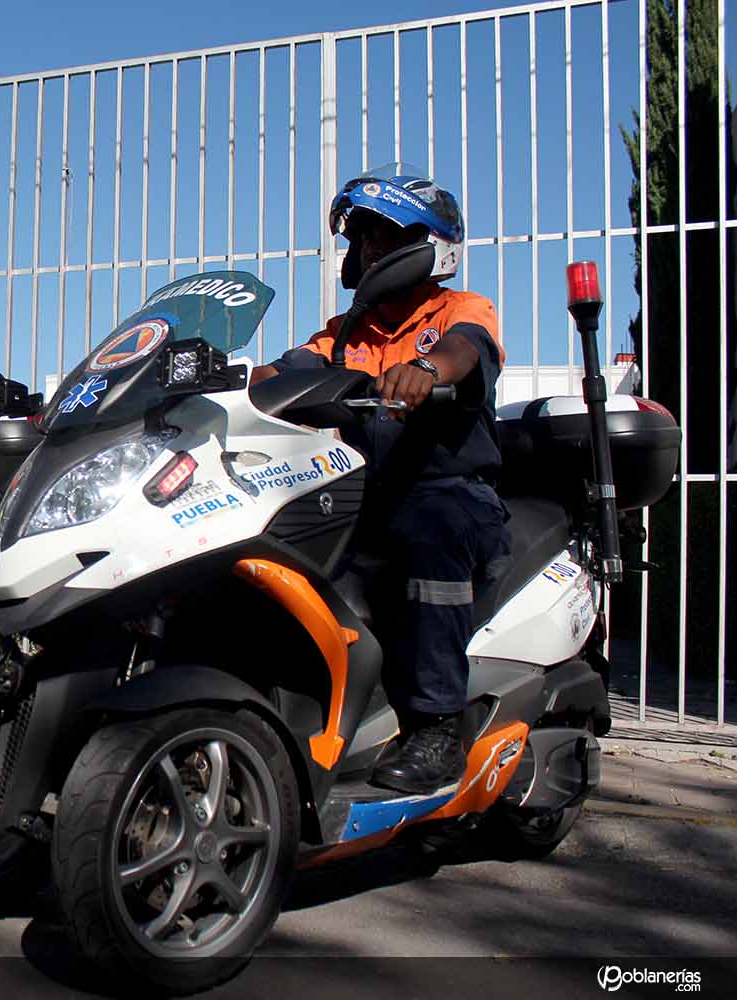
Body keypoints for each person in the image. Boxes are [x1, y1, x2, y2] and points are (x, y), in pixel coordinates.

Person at [250, 166, 511, 795]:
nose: (369, 249)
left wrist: (428, 369)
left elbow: (468, 350)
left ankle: (437, 725)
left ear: (431, 244)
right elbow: (280, 375)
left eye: (386, 236)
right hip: (365, 498)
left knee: (431, 525)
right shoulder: (341, 336)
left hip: (450, 494)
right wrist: (205, 382)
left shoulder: (459, 310)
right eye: (362, 236)